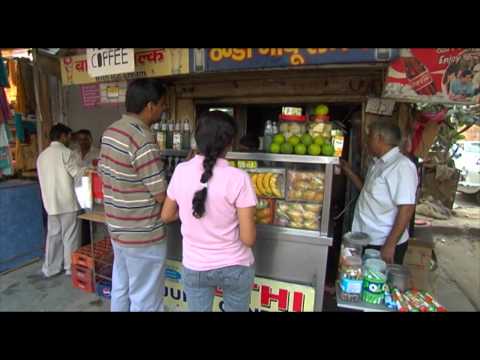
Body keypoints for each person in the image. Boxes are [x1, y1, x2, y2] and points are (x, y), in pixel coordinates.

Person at [161, 111, 257, 312]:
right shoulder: (239, 178)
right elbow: (248, 239)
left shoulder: (181, 171)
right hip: (235, 266)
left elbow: (167, 215)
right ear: (230, 143)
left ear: (197, 138)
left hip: (196, 266)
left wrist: (188, 211)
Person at [98, 79, 169, 312]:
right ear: (150, 106)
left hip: (118, 229)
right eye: (161, 105)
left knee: (121, 288)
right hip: (142, 235)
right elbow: (161, 195)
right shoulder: (143, 139)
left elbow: (105, 174)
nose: (163, 109)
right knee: (146, 299)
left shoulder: (110, 132)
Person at [340, 121, 418, 265]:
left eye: (369, 136)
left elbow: (406, 209)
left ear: (379, 138)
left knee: (377, 283)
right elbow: (367, 191)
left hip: (383, 242)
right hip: (367, 238)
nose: (366, 141)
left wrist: (390, 245)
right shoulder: (378, 163)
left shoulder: (401, 166)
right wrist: (348, 171)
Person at [36, 123, 87, 277]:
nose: (70, 140)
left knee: (53, 237)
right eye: (68, 136)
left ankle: (50, 268)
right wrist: (87, 169)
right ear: (62, 136)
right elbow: (77, 173)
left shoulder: (42, 156)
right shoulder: (66, 153)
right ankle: (69, 268)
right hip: (67, 202)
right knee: (70, 236)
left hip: (50, 204)